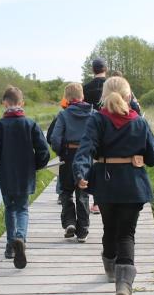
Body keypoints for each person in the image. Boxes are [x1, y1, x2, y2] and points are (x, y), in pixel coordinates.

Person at [73, 76, 154, 295]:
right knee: (127, 234)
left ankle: (110, 268)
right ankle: (124, 285)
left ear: (103, 95)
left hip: (105, 183)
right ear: (128, 96)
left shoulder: (97, 120)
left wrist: (81, 173)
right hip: (133, 184)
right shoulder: (139, 122)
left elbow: (85, 149)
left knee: (109, 229)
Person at [0, 86, 50, 269]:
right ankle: (21, 237)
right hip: (25, 175)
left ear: (4, 103)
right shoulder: (31, 124)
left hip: (6, 176)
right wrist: (37, 165)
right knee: (22, 208)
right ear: (22, 103)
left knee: (10, 208)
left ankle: (11, 247)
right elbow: (44, 151)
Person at [50, 83, 93, 242]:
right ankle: (83, 231)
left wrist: (60, 152)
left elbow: (55, 138)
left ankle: (69, 222)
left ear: (67, 98)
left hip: (68, 155)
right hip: (85, 156)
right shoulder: (93, 114)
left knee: (66, 191)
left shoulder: (64, 115)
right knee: (83, 193)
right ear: (82, 96)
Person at [83, 58, 108, 215]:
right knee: (107, 163)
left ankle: (90, 201)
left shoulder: (86, 88)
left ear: (93, 70)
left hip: (91, 129)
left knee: (91, 164)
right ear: (106, 68)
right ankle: (102, 201)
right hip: (111, 129)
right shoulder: (112, 85)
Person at [46, 97, 70, 204]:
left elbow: (49, 136)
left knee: (61, 172)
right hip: (79, 150)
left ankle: (61, 194)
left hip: (63, 150)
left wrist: (57, 149)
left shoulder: (59, 117)